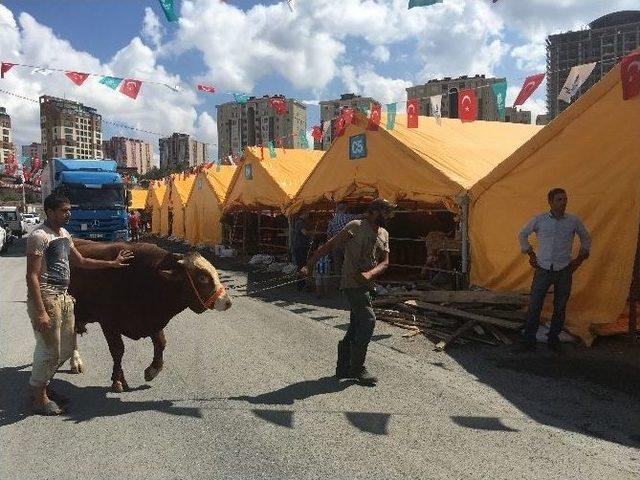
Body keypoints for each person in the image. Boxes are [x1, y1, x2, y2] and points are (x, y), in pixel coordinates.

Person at [26, 194, 134, 415]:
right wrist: (40, 311)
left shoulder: (65, 234)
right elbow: (32, 276)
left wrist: (111, 264)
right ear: (50, 211)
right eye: (64, 211)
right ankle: (39, 398)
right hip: (47, 297)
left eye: (69, 210)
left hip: (65, 297)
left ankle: (45, 388)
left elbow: (82, 261)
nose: (69, 214)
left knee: (66, 350)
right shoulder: (39, 237)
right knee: (49, 351)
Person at [302, 198, 394, 385]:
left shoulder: (384, 233)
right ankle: (357, 369)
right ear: (375, 211)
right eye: (386, 213)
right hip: (351, 283)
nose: (389, 218)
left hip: (367, 285)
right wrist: (309, 265)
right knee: (368, 320)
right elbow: (330, 245)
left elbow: (385, 262)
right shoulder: (356, 226)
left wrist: (370, 274)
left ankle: (342, 367)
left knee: (355, 326)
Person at [518, 188, 591, 352]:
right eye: (559, 199)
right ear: (550, 202)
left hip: (564, 269)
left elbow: (586, 237)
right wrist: (530, 253)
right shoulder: (540, 219)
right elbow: (522, 234)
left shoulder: (573, 221)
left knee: (560, 307)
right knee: (535, 305)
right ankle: (529, 341)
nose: (563, 202)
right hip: (543, 268)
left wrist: (580, 259)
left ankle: (553, 339)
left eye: (565, 199)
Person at [326, 203, 359, 289]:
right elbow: (359, 216)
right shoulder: (347, 217)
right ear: (345, 209)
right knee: (348, 264)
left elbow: (329, 235)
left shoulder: (332, 221)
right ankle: (348, 284)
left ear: (337, 209)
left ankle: (338, 284)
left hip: (335, 245)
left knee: (337, 265)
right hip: (346, 244)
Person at [292, 211, 313, 291]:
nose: (308, 214)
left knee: (302, 265)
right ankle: (301, 285)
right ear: (303, 213)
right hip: (300, 247)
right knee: (302, 265)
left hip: (300, 246)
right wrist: (312, 233)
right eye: (307, 213)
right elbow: (304, 232)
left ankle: (302, 283)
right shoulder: (300, 222)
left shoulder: (300, 222)